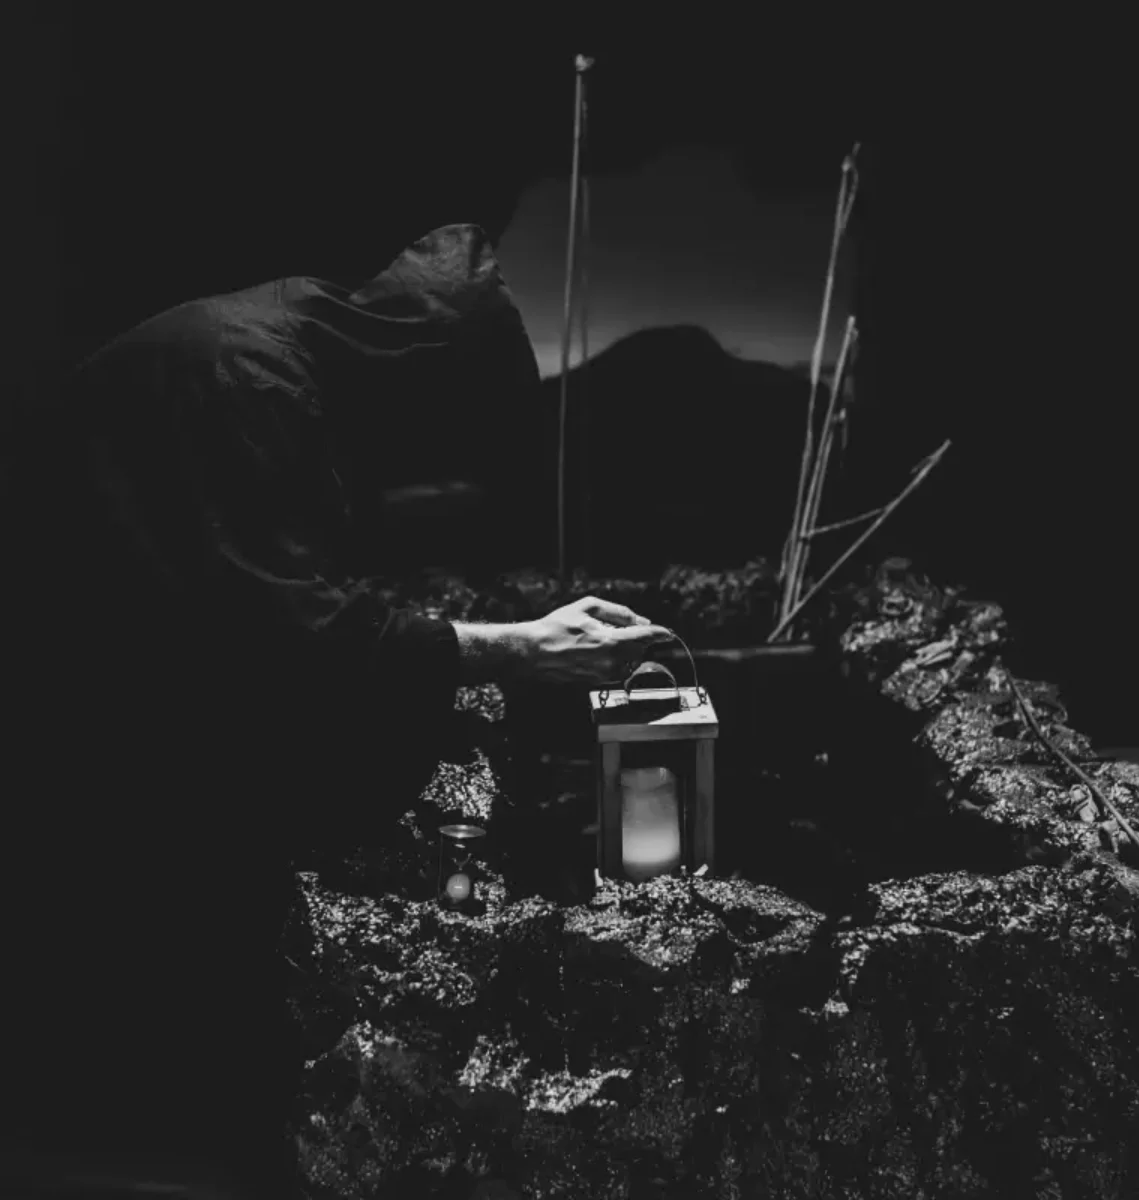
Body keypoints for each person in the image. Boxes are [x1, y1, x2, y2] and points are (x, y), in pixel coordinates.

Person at [0, 223, 671, 1198]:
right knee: (171, 1044)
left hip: (107, 712)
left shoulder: (267, 350)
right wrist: (524, 648)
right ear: (419, 370)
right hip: (77, 738)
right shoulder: (251, 381)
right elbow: (288, 634)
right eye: (446, 426)